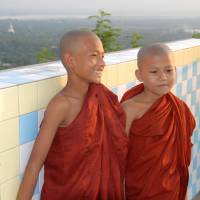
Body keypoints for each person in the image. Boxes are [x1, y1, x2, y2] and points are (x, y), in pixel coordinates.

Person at [17, 30, 128, 200]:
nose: (102, 63)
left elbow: (116, 157)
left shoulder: (104, 98)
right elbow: (34, 164)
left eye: (103, 56)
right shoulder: (61, 105)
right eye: (94, 56)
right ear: (71, 61)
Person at [121, 43, 196, 200]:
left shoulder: (178, 108)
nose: (163, 77)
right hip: (138, 190)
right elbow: (117, 157)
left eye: (169, 70)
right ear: (139, 75)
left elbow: (181, 153)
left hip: (171, 188)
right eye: (154, 72)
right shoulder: (129, 109)